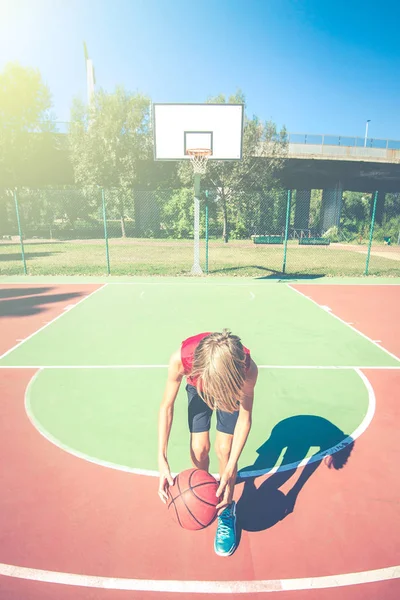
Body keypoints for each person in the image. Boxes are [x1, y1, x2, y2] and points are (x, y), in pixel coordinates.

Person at [158, 329, 258, 557]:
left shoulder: (246, 369)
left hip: (229, 387)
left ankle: (226, 511)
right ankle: (203, 496)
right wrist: (161, 459)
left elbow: (245, 417)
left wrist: (232, 464)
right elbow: (166, 407)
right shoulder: (182, 360)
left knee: (225, 450)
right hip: (199, 385)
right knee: (199, 449)